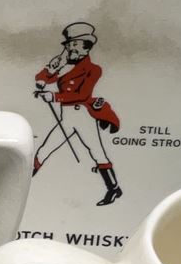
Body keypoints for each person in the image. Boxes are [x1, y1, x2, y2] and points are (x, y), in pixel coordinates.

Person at [33, 20, 122, 206]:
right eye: (69, 44)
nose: (70, 48)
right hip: (67, 117)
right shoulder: (65, 65)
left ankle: (113, 189)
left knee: (98, 153)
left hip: (82, 115)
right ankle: (22, 183)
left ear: (86, 47)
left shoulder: (93, 69)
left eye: (74, 44)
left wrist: (54, 97)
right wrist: (46, 75)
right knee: (45, 149)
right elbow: (43, 78)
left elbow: (81, 94)